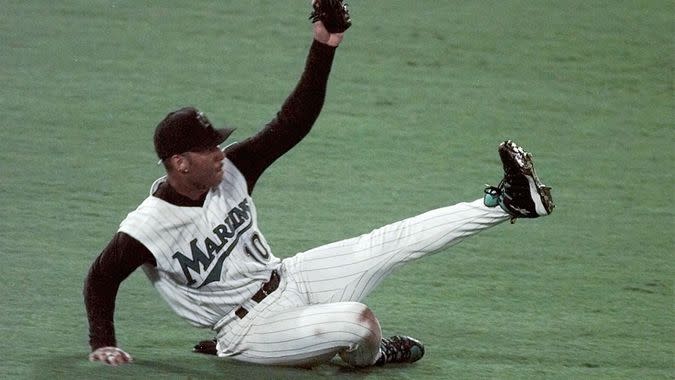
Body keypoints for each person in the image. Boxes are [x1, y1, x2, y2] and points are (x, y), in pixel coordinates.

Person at [84, 10, 554, 369]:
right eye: (210, 149)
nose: (222, 153)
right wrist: (102, 341)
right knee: (359, 321)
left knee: (389, 242)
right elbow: (101, 278)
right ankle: (369, 357)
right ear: (180, 163)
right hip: (247, 330)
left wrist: (324, 44)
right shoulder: (147, 227)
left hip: (290, 277)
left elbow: (293, 122)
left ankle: (509, 202)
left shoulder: (233, 170)